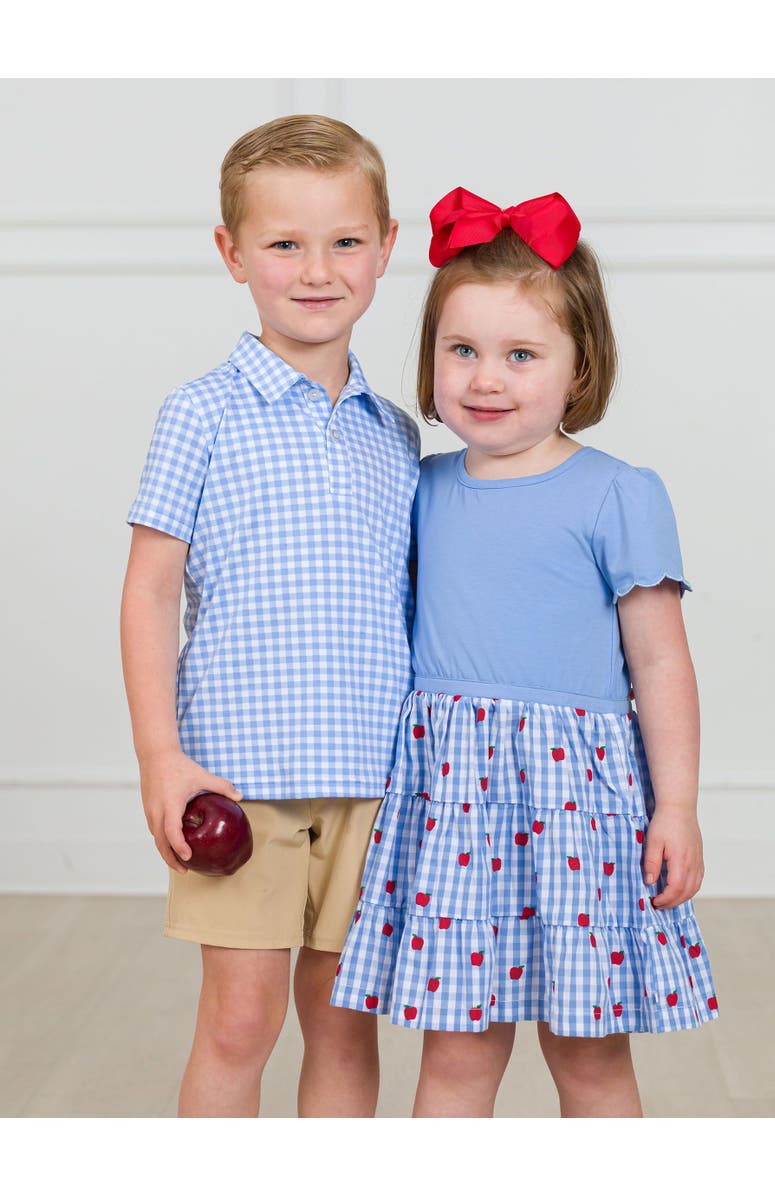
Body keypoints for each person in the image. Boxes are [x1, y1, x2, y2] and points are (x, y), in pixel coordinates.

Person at [330, 187, 718, 1118]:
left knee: (588, 1060)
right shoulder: (417, 484)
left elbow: (661, 663)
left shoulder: (616, 492)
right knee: (456, 1058)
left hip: (576, 804)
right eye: (461, 350)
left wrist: (678, 806)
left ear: (579, 369)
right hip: (452, 804)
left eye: (521, 354)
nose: (485, 378)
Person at [120, 114, 420, 1117]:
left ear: (386, 245)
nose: (317, 268)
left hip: (373, 775)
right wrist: (163, 756)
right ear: (233, 253)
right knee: (241, 1022)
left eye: (343, 240)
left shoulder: (397, 435)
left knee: (344, 1019)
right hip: (238, 779)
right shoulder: (200, 412)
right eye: (285, 242)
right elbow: (151, 589)